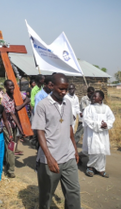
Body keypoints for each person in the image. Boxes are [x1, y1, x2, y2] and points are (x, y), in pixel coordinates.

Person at [32, 73, 80, 209]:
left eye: (66, 89)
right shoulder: (43, 105)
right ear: (51, 86)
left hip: (68, 156)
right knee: (46, 195)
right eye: (61, 89)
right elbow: (39, 131)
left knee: (74, 193)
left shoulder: (68, 102)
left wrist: (75, 150)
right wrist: (49, 157)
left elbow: (70, 127)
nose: (64, 92)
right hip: (50, 158)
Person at [83, 90, 115, 178]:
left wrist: (107, 124)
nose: (92, 98)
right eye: (92, 96)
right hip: (92, 133)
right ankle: (90, 167)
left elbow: (111, 118)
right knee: (94, 150)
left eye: (95, 96)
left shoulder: (106, 108)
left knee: (102, 150)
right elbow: (86, 119)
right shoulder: (88, 108)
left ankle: (101, 169)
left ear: (100, 98)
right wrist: (98, 125)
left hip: (103, 134)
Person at [1, 79, 30, 177]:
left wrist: (20, 106)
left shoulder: (17, 94)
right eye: (10, 86)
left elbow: (28, 99)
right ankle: (11, 171)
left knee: (10, 147)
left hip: (14, 124)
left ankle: (6, 162)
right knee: (10, 147)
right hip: (6, 125)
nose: (12, 88)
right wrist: (21, 130)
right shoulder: (4, 100)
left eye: (13, 86)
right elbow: (12, 115)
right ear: (5, 87)